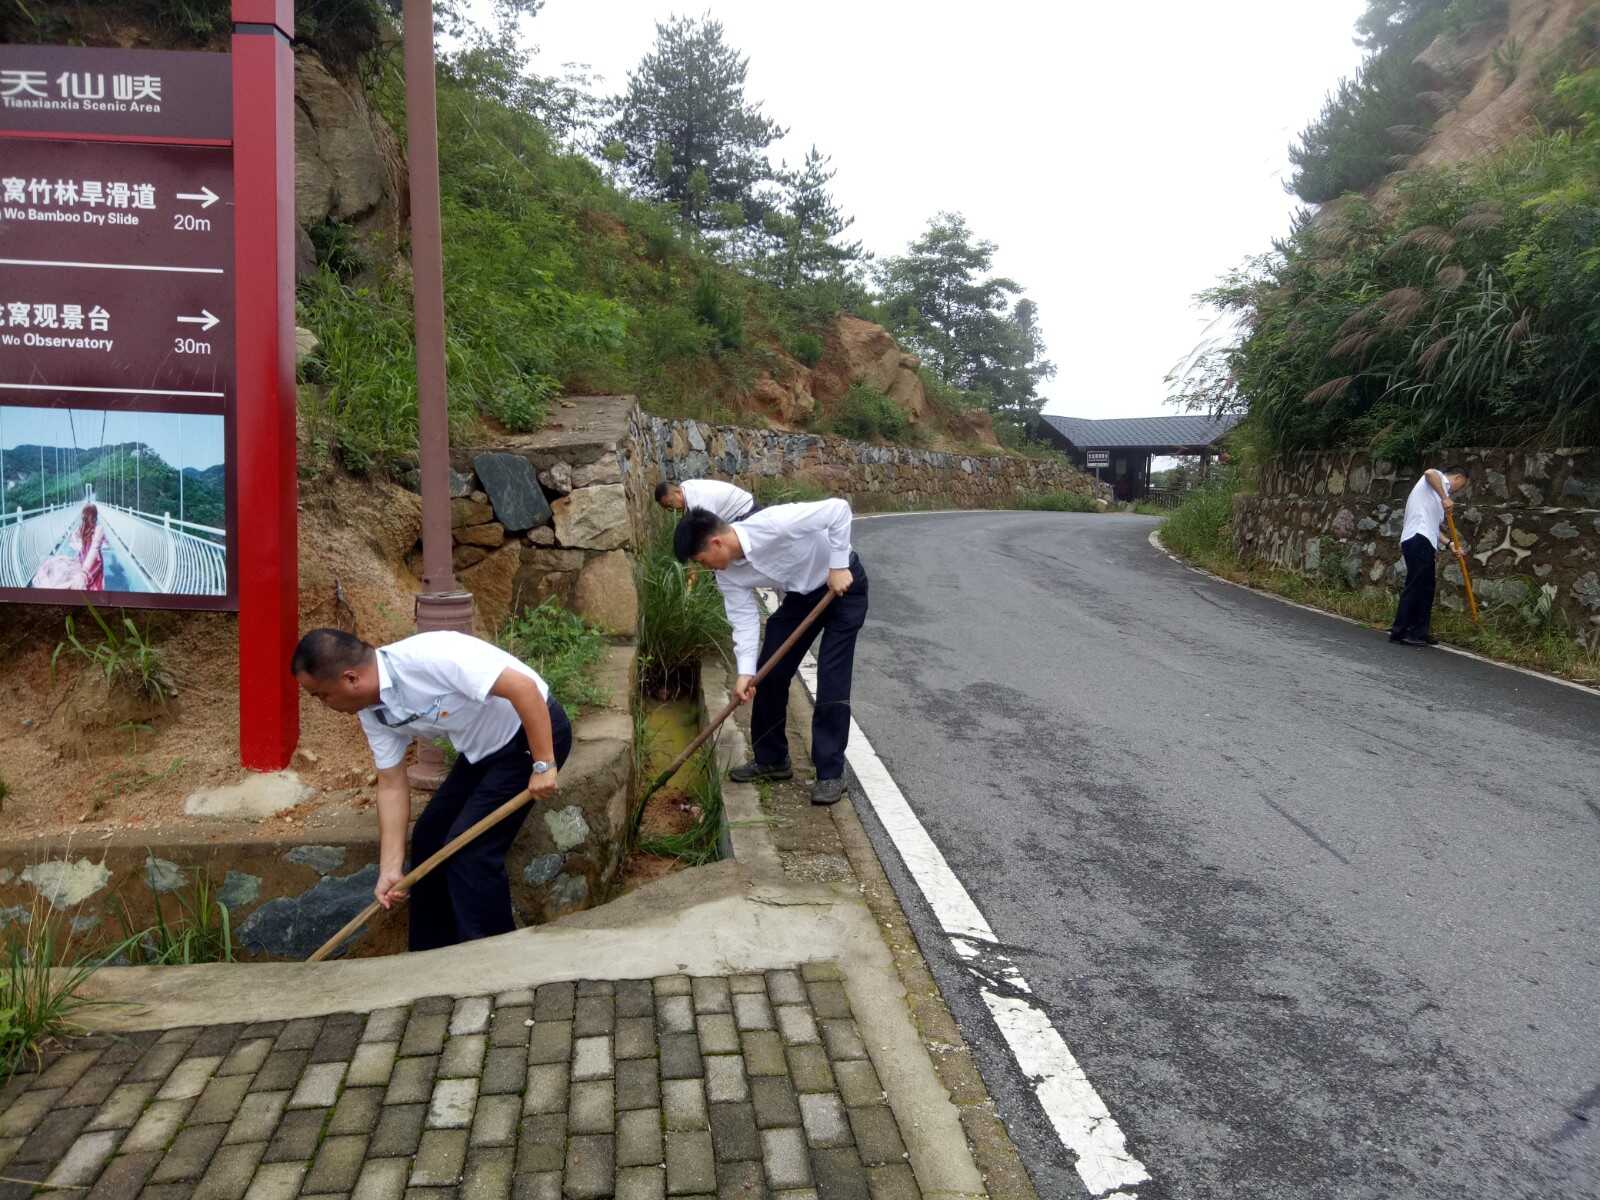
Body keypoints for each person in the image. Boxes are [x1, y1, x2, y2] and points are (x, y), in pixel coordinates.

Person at [290, 627, 572, 951]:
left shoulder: (432, 656)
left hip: (531, 734)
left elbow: (523, 688)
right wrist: (390, 868)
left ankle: (494, 959)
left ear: (351, 678)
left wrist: (543, 764)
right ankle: (431, 956)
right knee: (429, 838)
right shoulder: (373, 711)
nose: (324, 705)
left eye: (322, 695)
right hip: (481, 752)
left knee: (470, 850)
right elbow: (391, 784)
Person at [674, 499, 867, 805]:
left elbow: (839, 510)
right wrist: (745, 673)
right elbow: (744, 620)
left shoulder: (774, 524)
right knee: (768, 673)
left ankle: (830, 773)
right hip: (801, 597)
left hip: (843, 587)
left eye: (701, 560)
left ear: (716, 543)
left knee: (831, 679)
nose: (704, 567)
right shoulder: (726, 574)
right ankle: (772, 759)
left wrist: (839, 565)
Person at [1389, 466, 1470, 647]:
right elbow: (1429, 473)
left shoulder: (1434, 497)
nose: (1459, 489)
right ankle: (1404, 631)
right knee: (1417, 585)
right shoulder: (1438, 478)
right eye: (1462, 485)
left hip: (1422, 539)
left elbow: (1433, 528)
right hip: (1418, 537)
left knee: (1425, 587)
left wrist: (1449, 544)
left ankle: (1417, 631)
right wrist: (1445, 497)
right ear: (1458, 477)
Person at [656, 478, 758, 524]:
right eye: (667, 508)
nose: (672, 509)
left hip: (744, 512)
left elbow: (712, 528)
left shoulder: (698, 503)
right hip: (739, 507)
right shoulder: (685, 486)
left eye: (670, 504)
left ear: (678, 492)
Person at [74, 502, 106, 592]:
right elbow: (95, 547)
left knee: (85, 584)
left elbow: (74, 539)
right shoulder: (99, 529)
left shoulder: (80, 529)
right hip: (94, 560)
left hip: (84, 558)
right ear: (95, 516)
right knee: (96, 582)